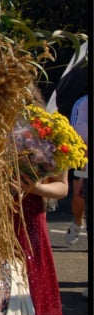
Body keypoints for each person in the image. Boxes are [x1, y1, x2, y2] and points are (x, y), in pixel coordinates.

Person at [13, 86, 68, 315]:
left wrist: (35, 188)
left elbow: (62, 187)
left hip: (30, 217)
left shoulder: (49, 132)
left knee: (29, 301)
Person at [66, 94, 88, 254]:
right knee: (79, 195)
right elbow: (77, 136)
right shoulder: (82, 103)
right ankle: (78, 222)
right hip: (85, 155)